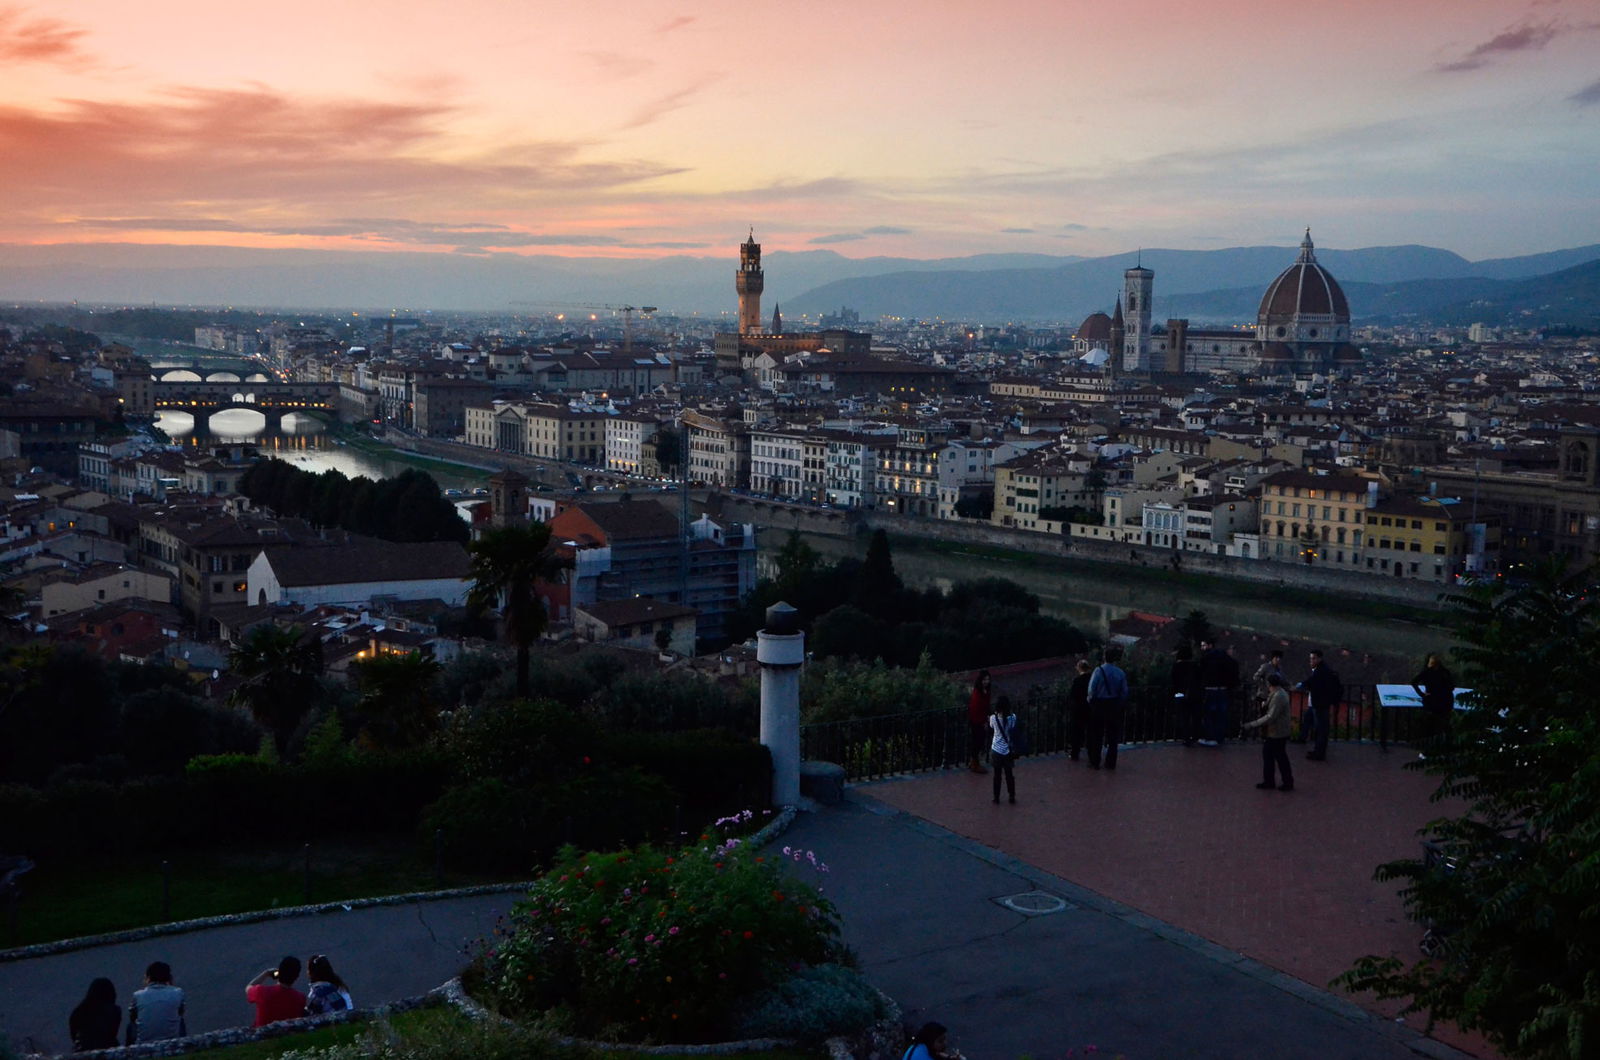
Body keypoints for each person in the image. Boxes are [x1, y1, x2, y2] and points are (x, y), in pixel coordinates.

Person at [1243, 673, 1295, 791]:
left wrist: (1252, 724)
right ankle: (1276, 781)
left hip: (1277, 732)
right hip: (1278, 731)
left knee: (1277, 756)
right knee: (1276, 756)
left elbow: (1271, 716)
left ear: (1269, 684)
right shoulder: (1279, 693)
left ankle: (1281, 782)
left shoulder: (1278, 696)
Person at [1085, 645, 1130, 770]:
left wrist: (1091, 702)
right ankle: (1110, 763)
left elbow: (1091, 690)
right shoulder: (1120, 673)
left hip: (1099, 705)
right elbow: (1124, 692)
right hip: (1113, 705)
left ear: (1104, 657)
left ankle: (1095, 761)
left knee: (1097, 735)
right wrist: (1118, 704)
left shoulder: (1098, 671)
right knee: (1113, 736)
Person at [1295, 649, 1341, 761]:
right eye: (1310, 658)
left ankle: (1319, 753)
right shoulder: (1322, 669)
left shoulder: (1321, 671)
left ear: (1319, 658)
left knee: (1321, 729)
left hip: (1320, 704)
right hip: (1321, 704)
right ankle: (1318, 751)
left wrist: (1301, 685)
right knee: (1319, 728)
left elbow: (1313, 682)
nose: (1311, 660)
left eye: (1314, 658)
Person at [126, 961, 185, 1045]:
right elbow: (181, 1012)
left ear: (148, 978)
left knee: (131, 1024)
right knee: (179, 1019)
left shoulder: (138, 995)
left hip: (143, 1042)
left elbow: (132, 1016)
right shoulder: (178, 992)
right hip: (171, 1040)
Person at [1196, 637, 1239, 746]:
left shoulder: (1206, 658)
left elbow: (1200, 674)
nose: (1202, 648)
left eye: (1204, 645)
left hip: (1210, 689)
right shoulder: (1226, 659)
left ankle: (1210, 737)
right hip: (1223, 690)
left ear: (1210, 646)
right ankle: (1219, 737)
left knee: (1209, 714)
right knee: (1221, 715)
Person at [246, 956, 308, 1026]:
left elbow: (248, 988)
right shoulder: (300, 998)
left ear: (279, 972)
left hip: (263, 1033)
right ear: (296, 977)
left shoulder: (261, 992)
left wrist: (266, 973)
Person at [1410, 653, 1456, 744]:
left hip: (1431, 701)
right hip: (1444, 701)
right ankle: (1445, 744)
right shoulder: (1445, 672)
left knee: (1430, 725)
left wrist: (1422, 694)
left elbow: (1414, 682)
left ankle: (1429, 745)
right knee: (1443, 725)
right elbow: (1452, 686)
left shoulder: (1427, 672)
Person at [69, 977, 120, 1052]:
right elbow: (112, 1034)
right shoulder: (114, 1011)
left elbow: (74, 1034)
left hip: (83, 1050)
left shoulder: (79, 1011)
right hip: (106, 1049)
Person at [1170, 644, 1200, 746]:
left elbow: (1174, 681)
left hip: (1180, 693)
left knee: (1184, 716)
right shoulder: (1195, 665)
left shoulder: (1177, 666)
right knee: (1194, 716)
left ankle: (1186, 737)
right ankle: (1195, 736)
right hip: (1194, 694)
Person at [989, 695, 1018, 804]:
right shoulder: (1012, 718)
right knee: (1009, 774)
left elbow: (992, 727)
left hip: (996, 749)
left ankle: (996, 797)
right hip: (1008, 750)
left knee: (997, 775)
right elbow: (1013, 727)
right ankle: (1012, 795)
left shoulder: (993, 718)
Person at [966, 670, 992, 774]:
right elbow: (977, 707)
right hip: (977, 720)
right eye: (985, 679)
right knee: (978, 741)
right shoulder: (978, 692)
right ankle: (974, 763)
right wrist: (984, 721)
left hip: (980, 719)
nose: (986, 681)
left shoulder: (984, 691)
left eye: (988, 679)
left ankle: (974, 761)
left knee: (978, 741)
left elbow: (985, 705)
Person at [1067, 659, 1092, 761]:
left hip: (1078, 710)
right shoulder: (1091, 679)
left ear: (1079, 668)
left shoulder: (1077, 681)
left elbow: (1073, 695)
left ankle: (1075, 753)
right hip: (1090, 708)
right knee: (1090, 732)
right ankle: (1091, 752)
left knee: (1076, 732)